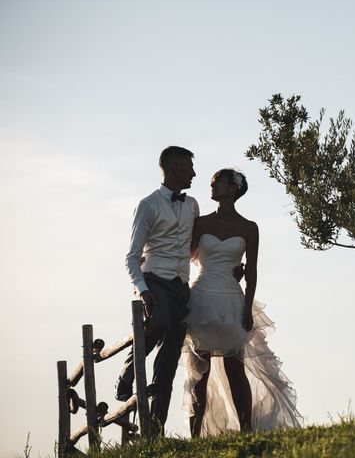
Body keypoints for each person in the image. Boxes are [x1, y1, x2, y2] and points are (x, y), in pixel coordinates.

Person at [115, 146, 242, 435]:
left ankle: (155, 428)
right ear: (174, 169)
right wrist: (144, 291)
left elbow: (192, 252)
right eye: (189, 168)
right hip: (154, 281)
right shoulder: (147, 205)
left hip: (181, 287)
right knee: (158, 321)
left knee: (170, 359)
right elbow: (131, 257)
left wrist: (228, 264)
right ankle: (127, 371)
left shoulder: (192, 205)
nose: (195, 174)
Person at [182, 168, 302, 436]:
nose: (212, 187)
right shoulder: (200, 223)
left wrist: (247, 307)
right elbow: (186, 255)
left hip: (232, 300)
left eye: (218, 183)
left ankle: (246, 429)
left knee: (235, 366)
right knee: (198, 369)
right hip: (202, 297)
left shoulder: (249, 228)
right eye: (211, 183)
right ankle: (195, 434)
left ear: (233, 188)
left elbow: (254, 270)